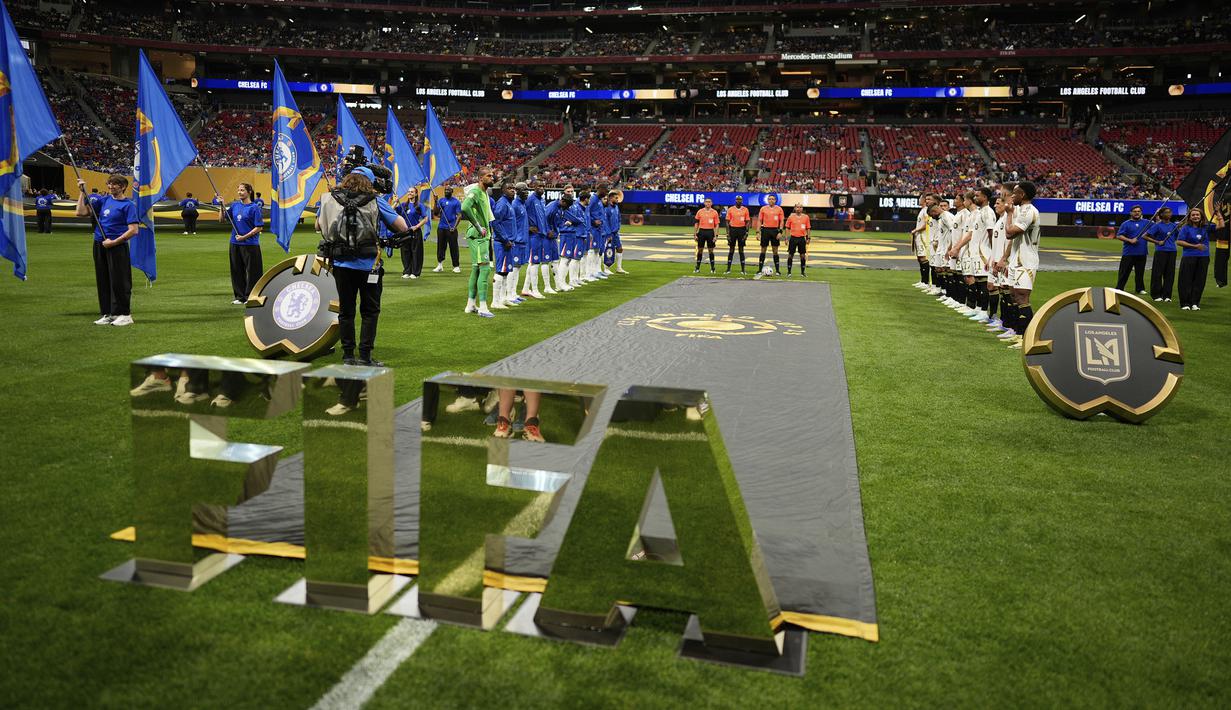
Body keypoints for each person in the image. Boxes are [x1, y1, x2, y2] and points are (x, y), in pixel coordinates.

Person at [315, 166, 410, 365]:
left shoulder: (330, 198)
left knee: (346, 311)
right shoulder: (376, 201)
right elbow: (402, 226)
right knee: (369, 312)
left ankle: (348, 355)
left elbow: (318, 226)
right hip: (369, 264)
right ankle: (365, 356)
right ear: (369, 181)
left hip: (341, 264)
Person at [76, 176, 140, 327]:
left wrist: (114, 242)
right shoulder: (104, 201)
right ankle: (109, 313)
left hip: (117, 246)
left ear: (123, 187)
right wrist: (81, 193)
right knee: (103, 280)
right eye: (110, 183)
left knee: (119, 281)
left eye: (116, 184)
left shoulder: (128, 205)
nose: (111, 186)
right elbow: (81, 212)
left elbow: (134, 230)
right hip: (100, 244)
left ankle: (124, 314)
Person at [996, 181, 1040, 349]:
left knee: (1022, 297)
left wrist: (1008, 214)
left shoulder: (1029, 211)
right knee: (1014, 295)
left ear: (1023, 195)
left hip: (1026, 261)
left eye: (1015, 193)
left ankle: (1027, 338)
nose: (1011, 196)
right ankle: (1017, 332)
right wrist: (1006, 258)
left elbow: (1009, 233)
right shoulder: (1021, 210)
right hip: (1016, 260)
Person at [218, 183, 263, 305]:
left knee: (253, 271)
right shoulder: (235, 205)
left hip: (250, 244)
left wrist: (244, 237)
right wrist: (221, 206)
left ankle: (251, 296)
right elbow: (222, 220)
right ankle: (240, 297)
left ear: (249, 192)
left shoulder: (254, 208)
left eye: (242, 190)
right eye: (238, 190)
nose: (239, 192)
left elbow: (258, 227)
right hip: (235, 243)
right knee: (236, 270)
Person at [461, 167, 497, 317]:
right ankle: (483, 307)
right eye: (489, 176)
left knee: (476, 269)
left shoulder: (483, 192)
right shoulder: (476, 192)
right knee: (485, 269)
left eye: (493, 175)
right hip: (478, 236)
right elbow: (464, 207)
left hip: (482, 235)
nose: (492, 178)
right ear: (481, 178)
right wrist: (477, 225)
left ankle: (470, 305)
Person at [1176, 207, 1215, 311]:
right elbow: (1179, 242)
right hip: (1189, 257)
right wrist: (1195, 246)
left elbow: (1221, 226)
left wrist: (1218, 214)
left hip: (1203, 257)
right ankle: (1185, 303)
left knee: (1199, 281)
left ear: (1201, 216)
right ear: (1190, 217)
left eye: (1197, 215)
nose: (1195, 216)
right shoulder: (1186, 228)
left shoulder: (1206, 227)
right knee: (1186, 280)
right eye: (1193, 215)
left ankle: (1195, 303)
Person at [525, 180, 556, 295]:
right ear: (534, 187)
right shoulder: (530, 200)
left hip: (542, 234)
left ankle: (526, 288)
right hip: (534, 235)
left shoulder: (542, 200)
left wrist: (547, 230)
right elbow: (522, 214)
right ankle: (535, 290)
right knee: (535, 262)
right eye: (539, 186)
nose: (542, 188)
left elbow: (543, 218)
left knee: (535, 262)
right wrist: (528, 227)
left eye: (543, 186)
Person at [545, 189, 580, 292]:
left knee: (555, 260)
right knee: (544, 262)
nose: (568, 208)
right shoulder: (552, 207)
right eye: (567, 205)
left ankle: (559, 285)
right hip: (547, 237)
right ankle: (547, 287)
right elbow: (543, 219)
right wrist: (547, 231)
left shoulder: (560, 208)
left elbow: (558, 221)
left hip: (554, 236)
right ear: (563, 201)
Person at [1114, 205, 1151, 295]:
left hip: (1142, 252)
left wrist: (1158, 214)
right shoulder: (1126, 223)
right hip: (1129, 252)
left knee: (1140, 272)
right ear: (1131, 213)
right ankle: (1120, 287)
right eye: (1135, 211)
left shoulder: (1147, 222)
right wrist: (1130, 240)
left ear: (1141, 212)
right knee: (1124, 272)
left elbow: (1157, 226)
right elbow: (1119, 236)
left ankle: (1140, 289)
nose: (1137, 213)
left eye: (1138, 211)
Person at [1143, 207, 1178, 302]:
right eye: (1166, 212)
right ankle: (1156, 295)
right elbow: (1144, 236)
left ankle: (1167, 295)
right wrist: (1157, 242)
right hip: (1161, 251)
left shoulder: (1174, 226)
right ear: (1161, 215)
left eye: (1170, 212)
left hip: (1172, 251)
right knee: (1157, 273)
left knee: (1170, 274)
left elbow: (1176, 237)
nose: (1169, 214)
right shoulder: (1157, 226)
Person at [397, 190, 428, 279]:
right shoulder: (403, 205)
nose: (410, 193)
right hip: (404, 232)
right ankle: (407, 271)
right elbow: (392, 211)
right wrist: (395, 202)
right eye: (408, 192)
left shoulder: (419, 205)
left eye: (412, 192)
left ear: (416, 194)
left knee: (416, 252)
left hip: (415, 231)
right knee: (405, 252)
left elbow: (425, 219)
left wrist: (417, 226)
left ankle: (415, 272)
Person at [432, 186, 462, 273]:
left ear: (452, 191)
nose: (446, 191)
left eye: (448, 190)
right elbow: (436, 212)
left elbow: (459, 215)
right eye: (445, 190)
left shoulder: (456, 202)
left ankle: (456, 266)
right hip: (441, 227)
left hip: (451, 228)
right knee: (441, 247)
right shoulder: (441, 200)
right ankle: (440, 265)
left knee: (454, 247)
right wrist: (435, 201)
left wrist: (454, 227)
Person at [910, 192, 935, 289]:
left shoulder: (925, 211)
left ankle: (926, 281)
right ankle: (923, 280)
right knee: (920, 258)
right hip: (919, 236)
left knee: (923, 258)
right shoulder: (922, 210)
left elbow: (926, 224)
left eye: (920, 198)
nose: (919, 200)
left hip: (923, 237)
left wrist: (915, 230)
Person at [756, 194, 784, 274]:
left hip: (775, 230)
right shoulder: (763, 209)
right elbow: (759, 220)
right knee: (763, 250)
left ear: (775, 200)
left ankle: (778, 270)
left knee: (775, 251)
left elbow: (781, 221)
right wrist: (758, 232)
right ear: (768, 200)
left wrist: (780, 232)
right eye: (770, 199)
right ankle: (760, 269)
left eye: (773, 199)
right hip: (765, 230)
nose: (771, 200)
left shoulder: (779, 209)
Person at [724, 195, 750, 274]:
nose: (739, 201)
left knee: (741, 250)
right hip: (733, 230)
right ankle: (728, 269)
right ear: (735, 200)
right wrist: (728, 233)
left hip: (741, 230)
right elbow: (727, 222)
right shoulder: (731, 209)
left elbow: (748, 221)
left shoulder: (745, 209)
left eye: (740, 199)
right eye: (737, 199)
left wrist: (746, 232)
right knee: (731, 249)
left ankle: (743, 270)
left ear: (742, 201)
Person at [693, 197, 719, 273]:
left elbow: (717, 224)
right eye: (706, 202)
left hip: (710, 232)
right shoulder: (700, 211)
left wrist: (715, 235)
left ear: (711, 203)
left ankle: (713, 268)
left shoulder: (714, 212)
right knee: (700, 250)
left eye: (709, 202)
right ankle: (697, 268)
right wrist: (695, 234)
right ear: (704, 203)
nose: (708, 203)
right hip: (701, 231)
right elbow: (696, 223)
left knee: (711, 250)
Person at [785, 204, 811, 277]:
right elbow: (787, 228)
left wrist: (808, 238)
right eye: (797, 207)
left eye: (800, 207)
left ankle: (803, 272)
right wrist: (786, 238)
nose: (799, 208)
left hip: (801, 239)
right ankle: (789, 272)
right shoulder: (791, 217)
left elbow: (808, 228)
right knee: (790, 255)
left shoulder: (806, 217)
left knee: (802, 256)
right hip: (793, 238)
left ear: (802, 209)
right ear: (795, 208)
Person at [606, 190, 628, 274]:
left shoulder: (616, 207)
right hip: (609, 233)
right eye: (616, 198)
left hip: (615, 232)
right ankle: (606, 268)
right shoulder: (607, 208)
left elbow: (619, 218)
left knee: (620, 248)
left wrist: (618, 227)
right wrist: (608, 233)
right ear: (611, 198)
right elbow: (606, 221)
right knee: (608, 250)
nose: (618, 199)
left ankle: (619, 268)